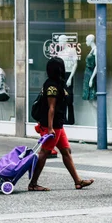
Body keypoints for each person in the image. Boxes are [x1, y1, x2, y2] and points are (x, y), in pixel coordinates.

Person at [27, 57, 94, 191]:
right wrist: (50, 128)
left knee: (66, 151)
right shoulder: (52, 85)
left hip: (58, 125)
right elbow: (51, 108)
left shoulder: (57, 83)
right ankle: (33, 183)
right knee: (44, 153)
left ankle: (78, 181)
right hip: (52, 126)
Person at [56, 34, 78, 124]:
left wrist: (70, 78)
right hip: (61, 76)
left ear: (65, 41)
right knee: (62, 98)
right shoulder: (60, 53)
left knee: (69, 98)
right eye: (59, 41)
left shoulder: (72, 50)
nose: (60, 43)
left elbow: (75, 64)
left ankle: (71, 120)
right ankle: (63, 118)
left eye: (61, 41)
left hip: (68, 74)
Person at [82, 34, 97, 102]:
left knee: (92, 95)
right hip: (88, 74)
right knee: (89, 97)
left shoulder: (95, 50)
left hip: (91, 74)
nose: (86, 42)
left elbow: (97, 66)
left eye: (86, 40)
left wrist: (91, 79)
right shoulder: (92, 50)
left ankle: (99, 112)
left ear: (91, 40)